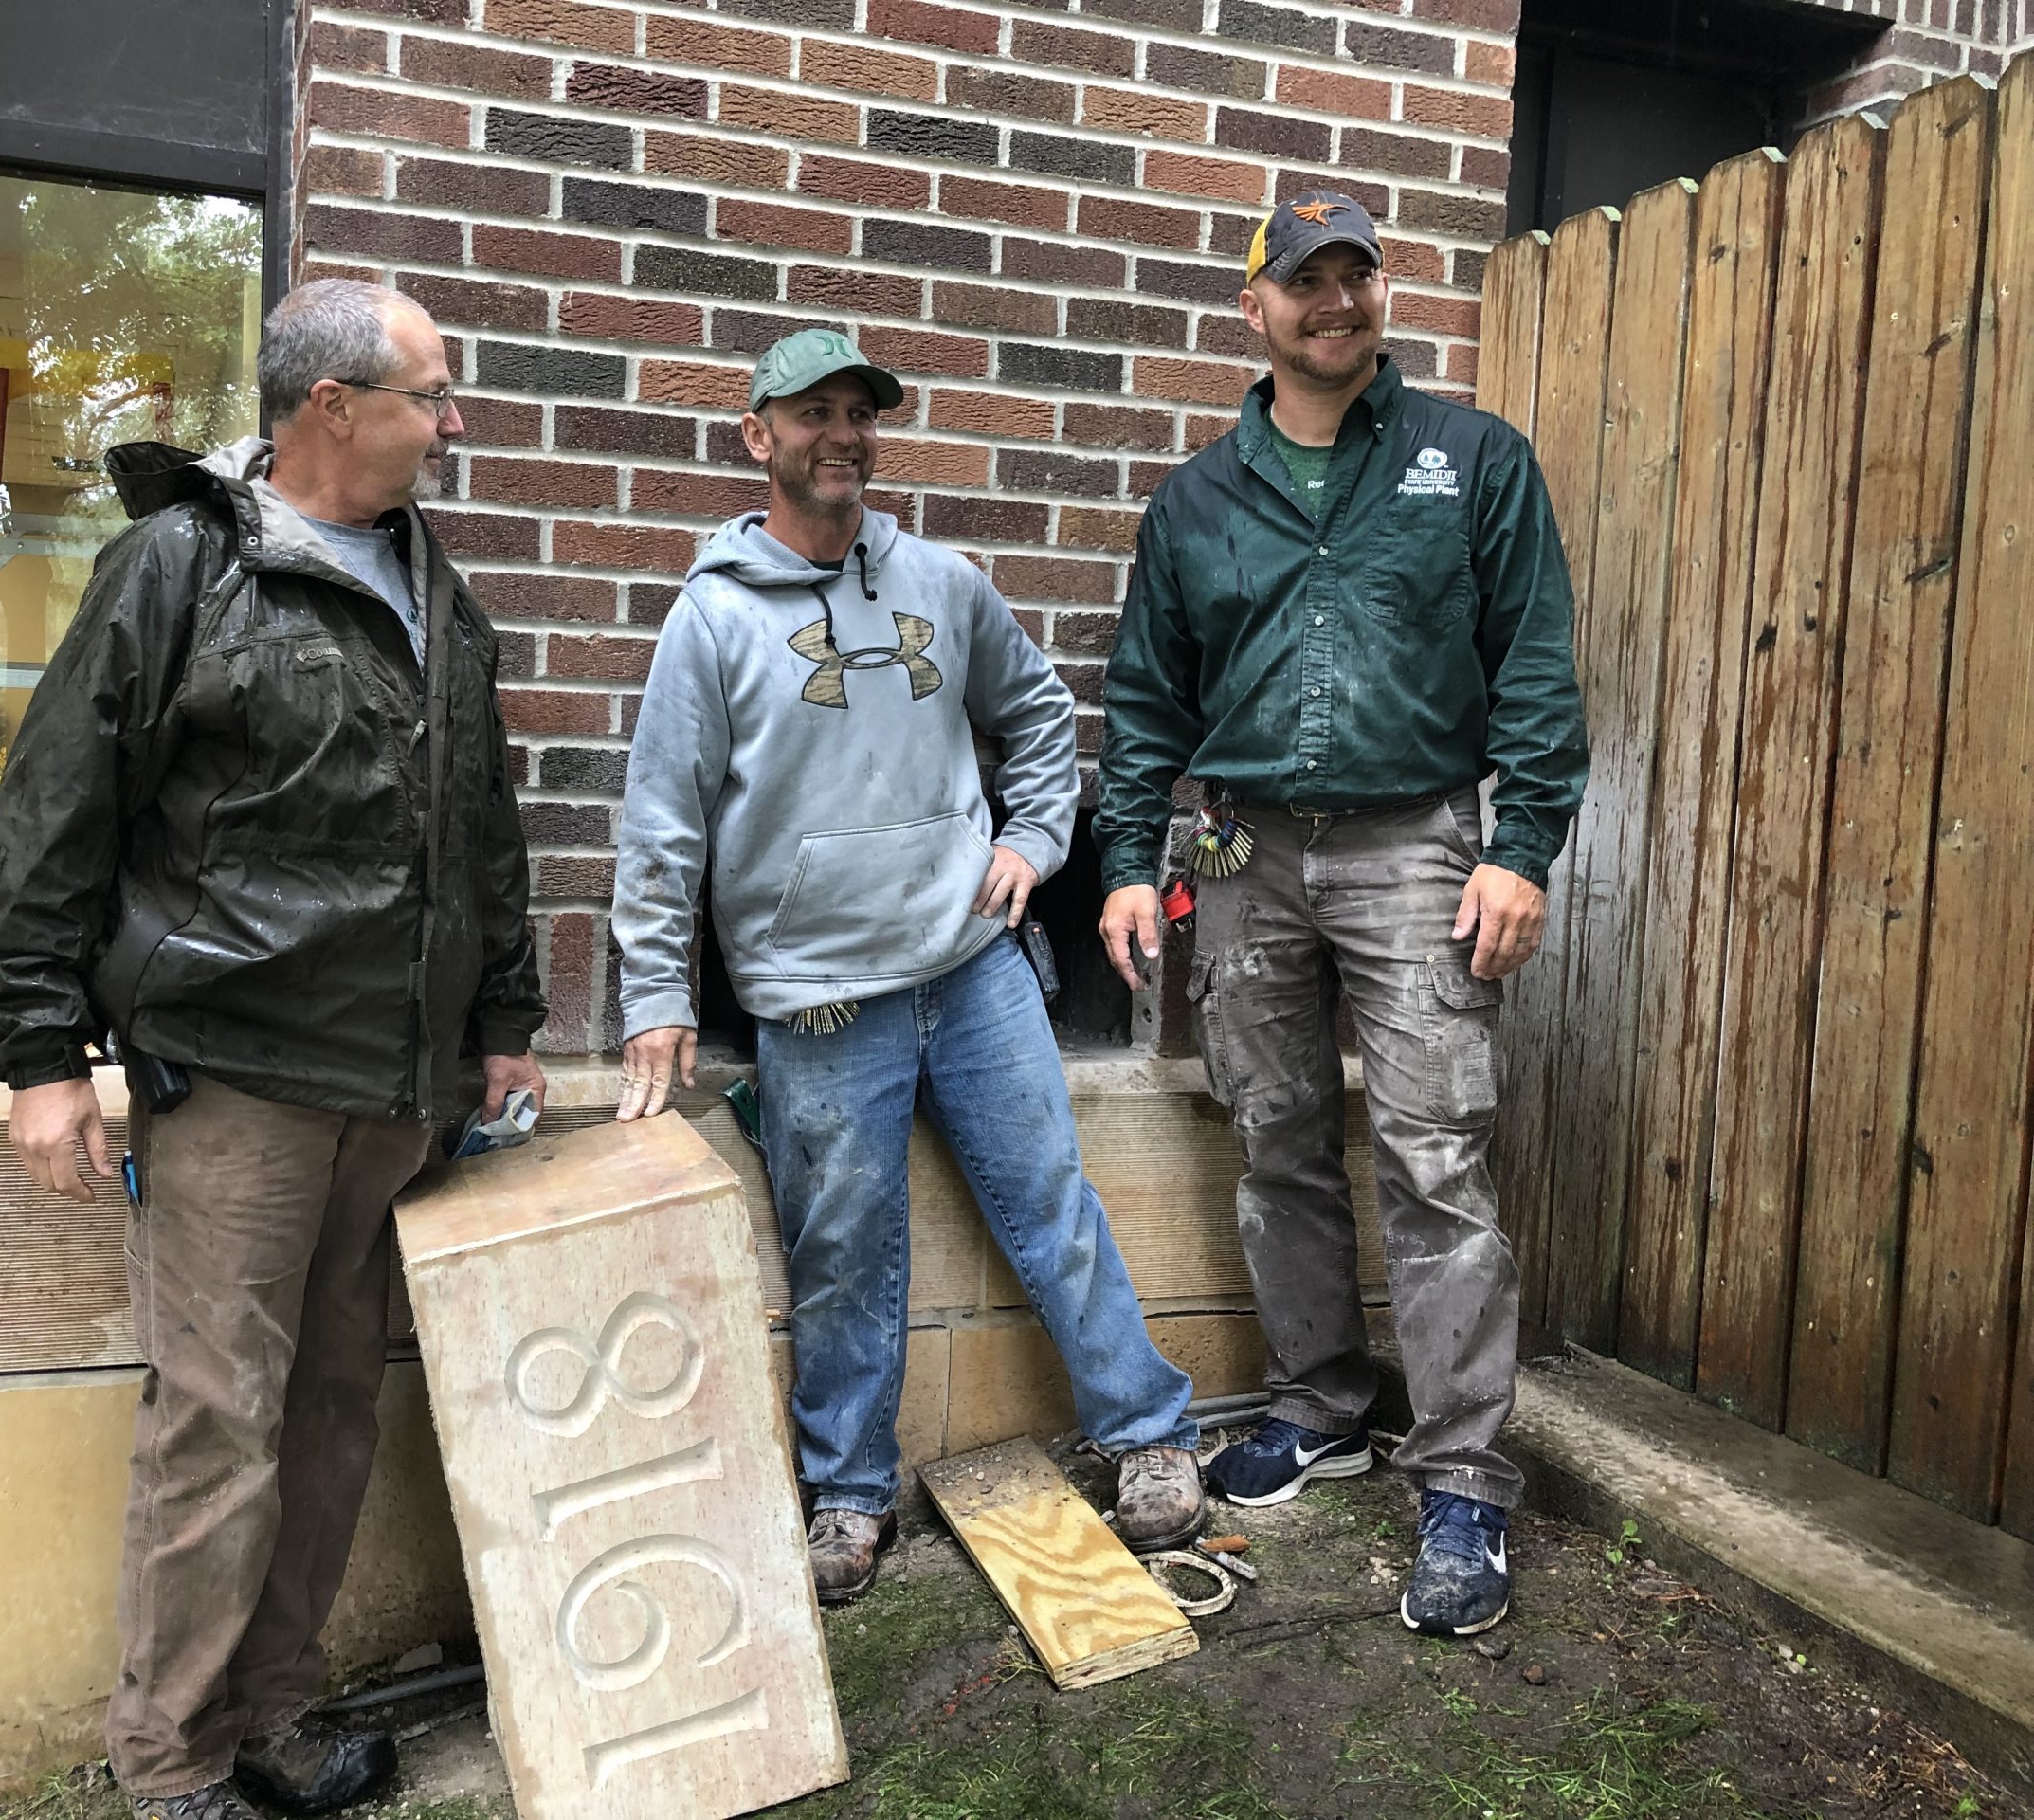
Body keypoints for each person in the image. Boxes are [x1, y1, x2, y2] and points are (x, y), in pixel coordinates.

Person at [0, 280, 546, 1820]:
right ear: (333, 406)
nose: (455, 420)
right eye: (433, 393)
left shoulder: (436, 584)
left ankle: (275, 1719)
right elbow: (54, 811)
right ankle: (171, 1767)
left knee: (332, 1416)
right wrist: (37, 1052)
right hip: (231, 1084)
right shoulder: (182, 567)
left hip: (393, 1089)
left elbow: (482, 829)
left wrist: (500, 1025)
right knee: (218, 1428)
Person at [611, 326, 1202, 1605]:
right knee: (842, 1255)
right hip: (820, 1002)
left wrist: (1039, 842)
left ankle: (1152, 1437)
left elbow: (1041, 719)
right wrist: (655, 996)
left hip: (973, 966)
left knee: (1054, 1207)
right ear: (757, 437)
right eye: (813, 412)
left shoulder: (943, 581)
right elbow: (662, 824)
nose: (844, 434)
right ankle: (849, 1494)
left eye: (860, 413)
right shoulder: (709, 622)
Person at [1095, 193, 1589, 1640]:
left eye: (1354, 275)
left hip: (1419, 848)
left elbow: (1537, 664)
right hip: (1241, 853)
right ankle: (1321, 1404)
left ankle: (1461, 1481)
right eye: (1302, 280)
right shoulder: (1195, 500)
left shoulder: (1472, 463)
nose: (1334, 300)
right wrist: (1132, 858)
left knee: (1436, 1152)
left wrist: (1526, 846)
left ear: (1380, 296)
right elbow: (1145, 701)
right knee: (1277, 1135)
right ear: (1253, 311)